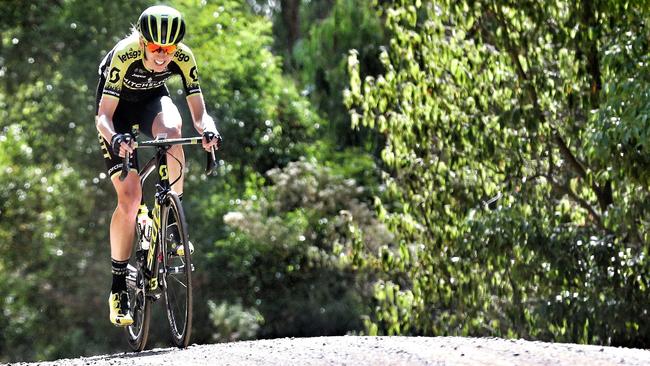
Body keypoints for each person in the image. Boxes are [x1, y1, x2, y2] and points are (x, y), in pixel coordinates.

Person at [95, 5, 222, 326]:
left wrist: (208, 129)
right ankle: (119, 288)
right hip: (118, 113)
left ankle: (170, 220)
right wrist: (115, 139)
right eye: (155, 48)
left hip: (153, 102)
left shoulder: (184, 56)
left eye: (170, 49)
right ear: (141, 42)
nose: (163, 55)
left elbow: (199, 112)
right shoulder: (123, 56)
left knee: (174, 131)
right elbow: (103, 117)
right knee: (130, 198)